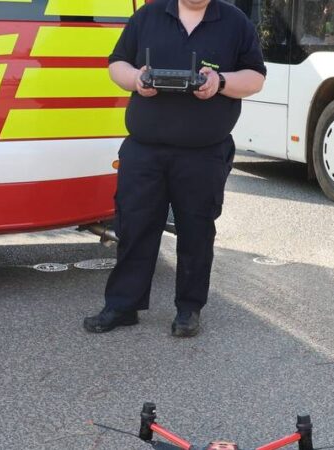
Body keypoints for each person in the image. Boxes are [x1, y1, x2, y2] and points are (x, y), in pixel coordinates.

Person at [83, 0, 267, 337]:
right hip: (145, 150)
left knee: (196, 233)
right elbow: (116, 64)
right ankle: (123, 305)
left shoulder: (235, 22)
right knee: (134, 228)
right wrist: (136, 78)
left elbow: (256, 77)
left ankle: (188, 310)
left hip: (203, 153)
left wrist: (220, 82)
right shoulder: (148, 16)